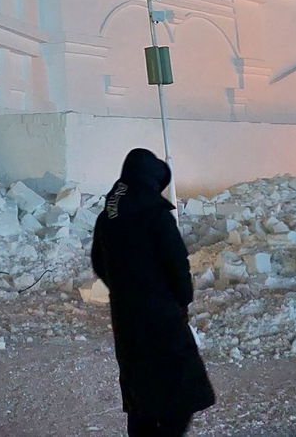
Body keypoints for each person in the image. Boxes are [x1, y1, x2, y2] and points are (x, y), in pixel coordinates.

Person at [91, 148, 215, 436]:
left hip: (126, 317)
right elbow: (177, 264)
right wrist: (181, 300)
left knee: (140, 390)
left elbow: (99, 262)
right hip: (162, 314)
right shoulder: (156, 216)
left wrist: (123, 290)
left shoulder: (107, 218)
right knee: (180, 390)